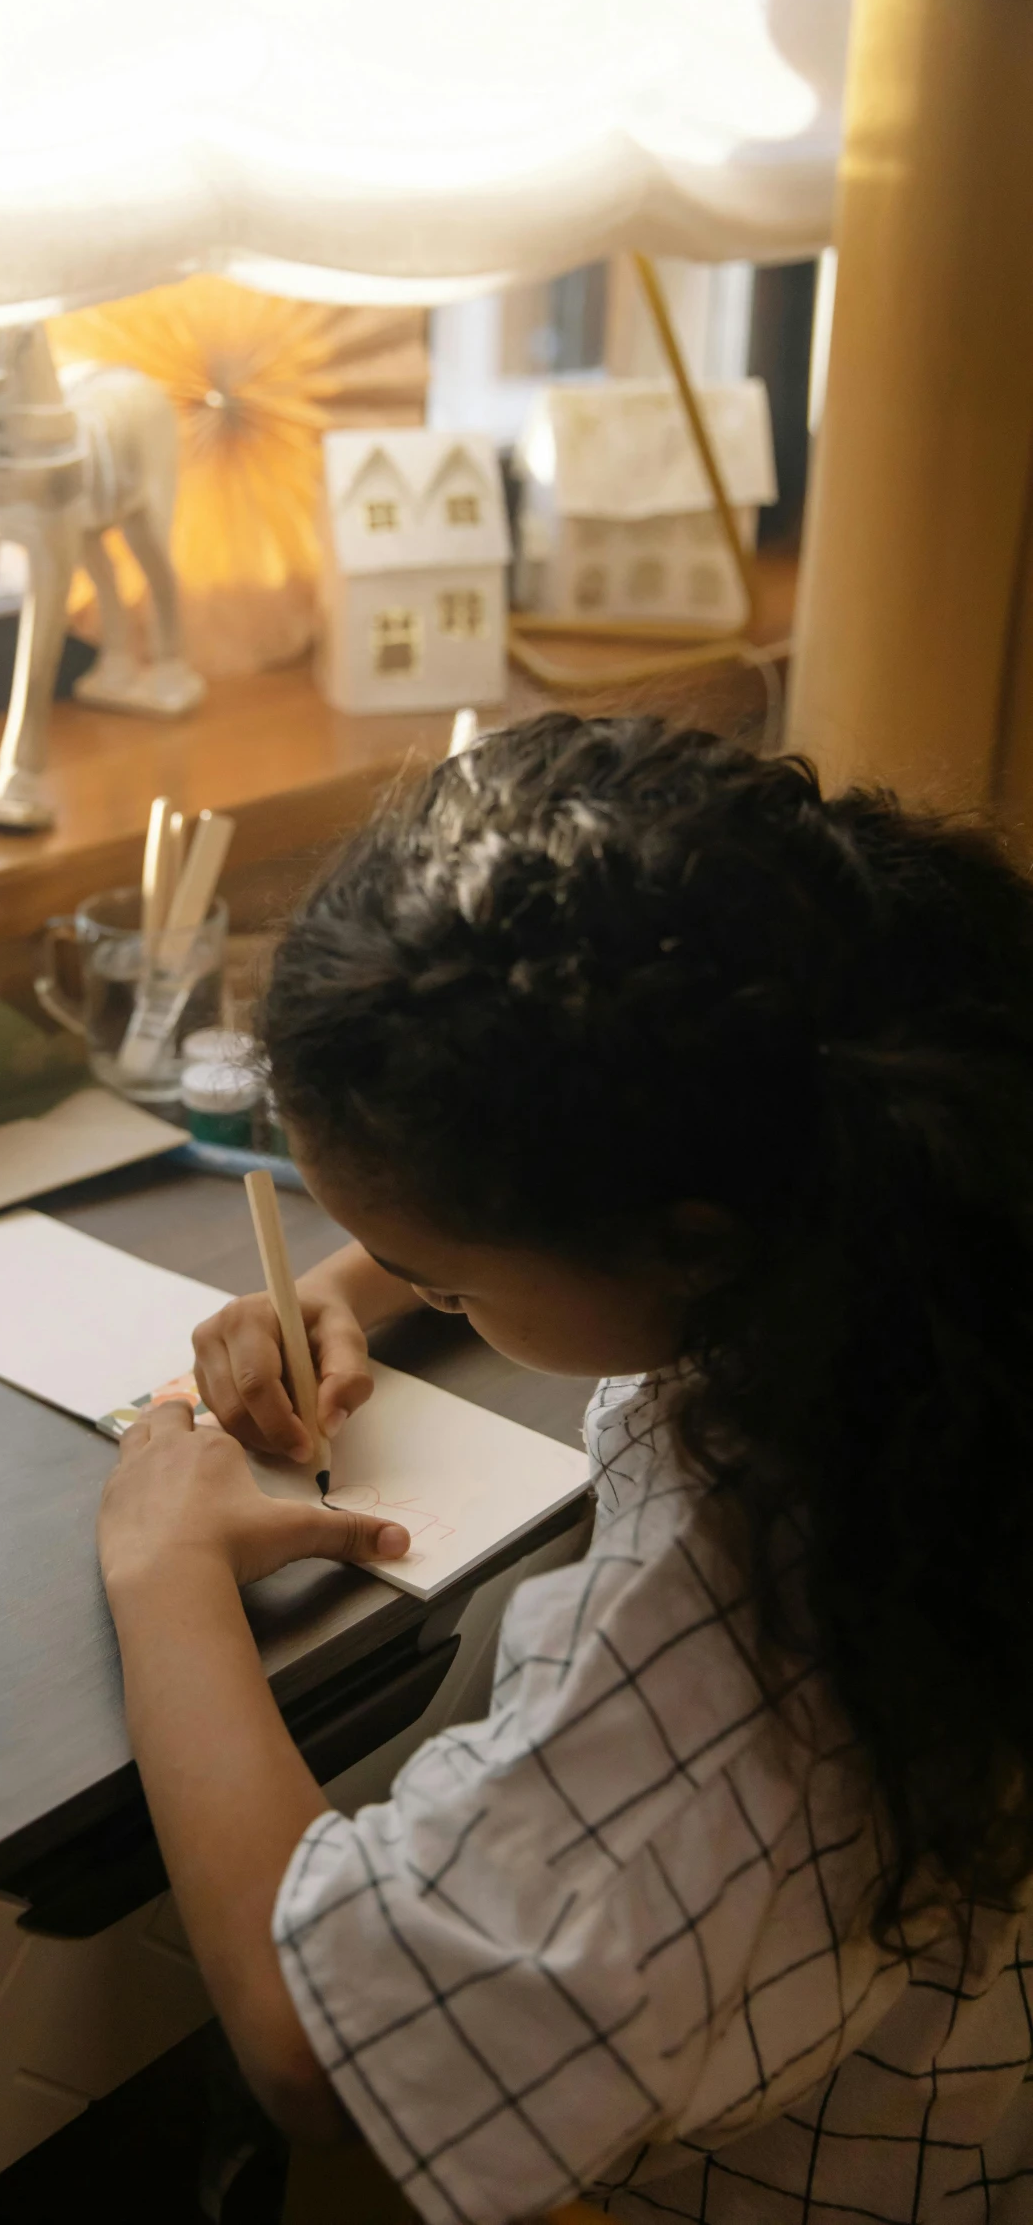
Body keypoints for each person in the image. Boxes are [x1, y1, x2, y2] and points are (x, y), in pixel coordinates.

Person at [96, 713, 1033, 2223]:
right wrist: (373, 1276)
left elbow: (312, 2052)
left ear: (683, 1240)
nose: (409, 1281)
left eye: (448, 1275)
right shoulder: (921, 1208)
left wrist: (166, 1574)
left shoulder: (759, 1599)